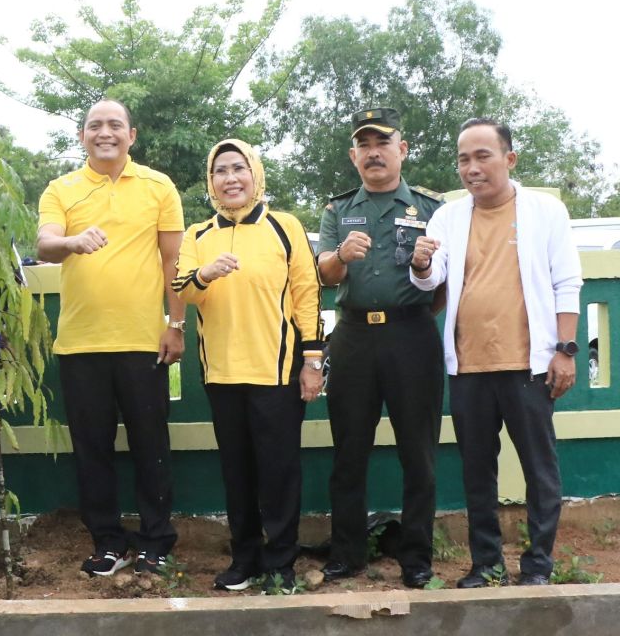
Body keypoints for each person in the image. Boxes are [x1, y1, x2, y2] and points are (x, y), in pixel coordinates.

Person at [411, 118, 582, 587]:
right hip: (468, 366)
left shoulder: (544, 211)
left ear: (509, 159)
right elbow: (432, 282)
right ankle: (486, 563)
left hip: (528, 365)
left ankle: (538, 565)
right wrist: (421, 262)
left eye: (483, 156)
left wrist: (564, 351)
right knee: (476, 471)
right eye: (464, 158)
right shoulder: (448, 216)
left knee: (539, 470)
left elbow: (567, 282)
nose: (472, 168)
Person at [36, 98, 185, 576]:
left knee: (151, 446)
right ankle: (107, 541)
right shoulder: (62, 189)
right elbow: (45, 244)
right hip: (81, 344)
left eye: (115, 125)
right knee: (92, 450)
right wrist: (72, 242)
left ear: (132, 135)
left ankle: (156, 540)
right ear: (82, 136)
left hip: (144, 342)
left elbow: (173, 263)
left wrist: (176, 324)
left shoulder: (158, 186)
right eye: (95, 126)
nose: (105, 133)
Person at [173, 139, 324, 592]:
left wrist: (313, 360)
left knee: (278, 473)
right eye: (221, 171)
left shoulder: (284, 226)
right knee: (236, 473)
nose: (231, 178)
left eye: (239, 168)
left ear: (255, 175)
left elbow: (306, 293)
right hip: (221, 374)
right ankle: (244, 559)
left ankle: (281, 563)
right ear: (211, 182)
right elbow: (183, 289)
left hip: (276, 373)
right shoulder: (198, 235)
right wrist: (206, 274)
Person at [316, 107, 445, 589]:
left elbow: (445, 281)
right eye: (364, 146)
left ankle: (417, 557)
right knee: (349, 451)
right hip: (352, 338)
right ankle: (347, 553)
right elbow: (323, 274)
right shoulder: (338, 209)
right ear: (354, 156)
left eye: (382, 143)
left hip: (412, 336)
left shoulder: (431, 209)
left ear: (402, 150)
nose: (373, 153)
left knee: (419, 453)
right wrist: (339, 257)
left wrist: (412, 320)